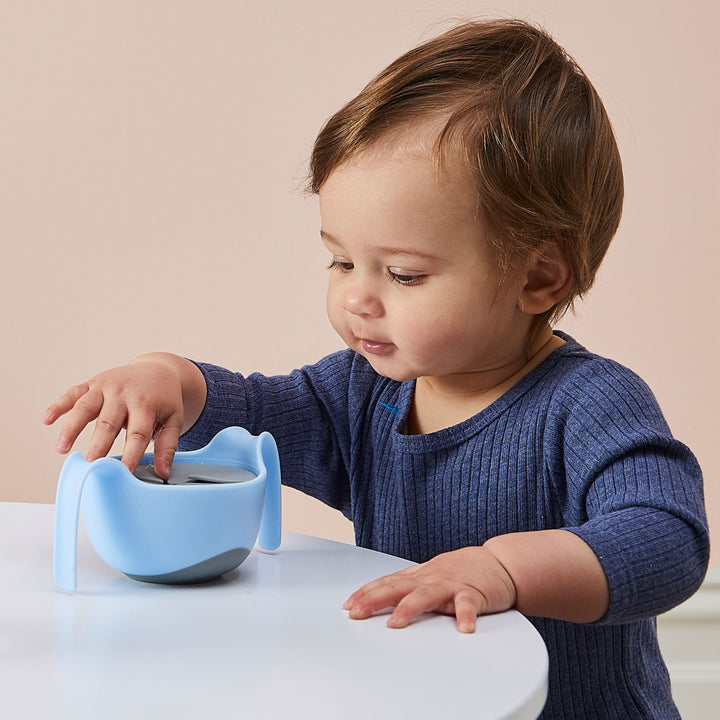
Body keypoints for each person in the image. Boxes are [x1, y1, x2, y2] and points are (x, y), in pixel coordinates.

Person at [43, 19, 708, 719]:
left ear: (538, 277)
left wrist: (503, 570)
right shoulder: (364, 394)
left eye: (403, 273)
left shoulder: (591, 403)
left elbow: (666, 539)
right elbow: (258, 413)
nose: (356, 297)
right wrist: (170, 377)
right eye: (340, 260)